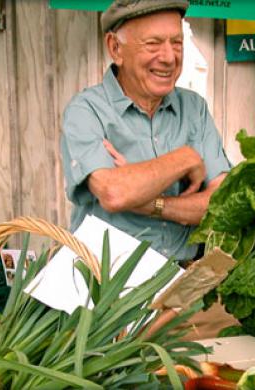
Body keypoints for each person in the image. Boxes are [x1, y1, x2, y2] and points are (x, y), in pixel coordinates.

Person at [60, 0, 231, 262]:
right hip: (107, 289)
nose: (169, 57)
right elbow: (114, 192)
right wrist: (185, 158)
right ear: (115, 48)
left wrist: (150, 203)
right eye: (153, 43)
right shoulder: (86, 111)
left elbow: (223, 205)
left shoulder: (193, 108)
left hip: (181, 282)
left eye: (177, 43)